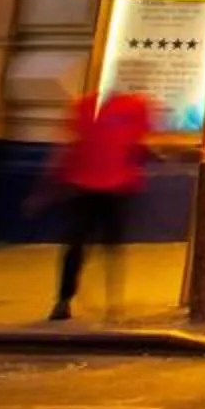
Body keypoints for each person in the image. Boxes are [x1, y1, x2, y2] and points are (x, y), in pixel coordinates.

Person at [47, 87, 153, 322]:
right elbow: (140, 146)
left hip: (85, 185)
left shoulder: (86, 104)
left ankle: (64, 301)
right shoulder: (136, 106)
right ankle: (112, 304)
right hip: (115, 187)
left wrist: (54, 180)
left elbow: (68, 145)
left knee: (77, 245)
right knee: (111, 246)